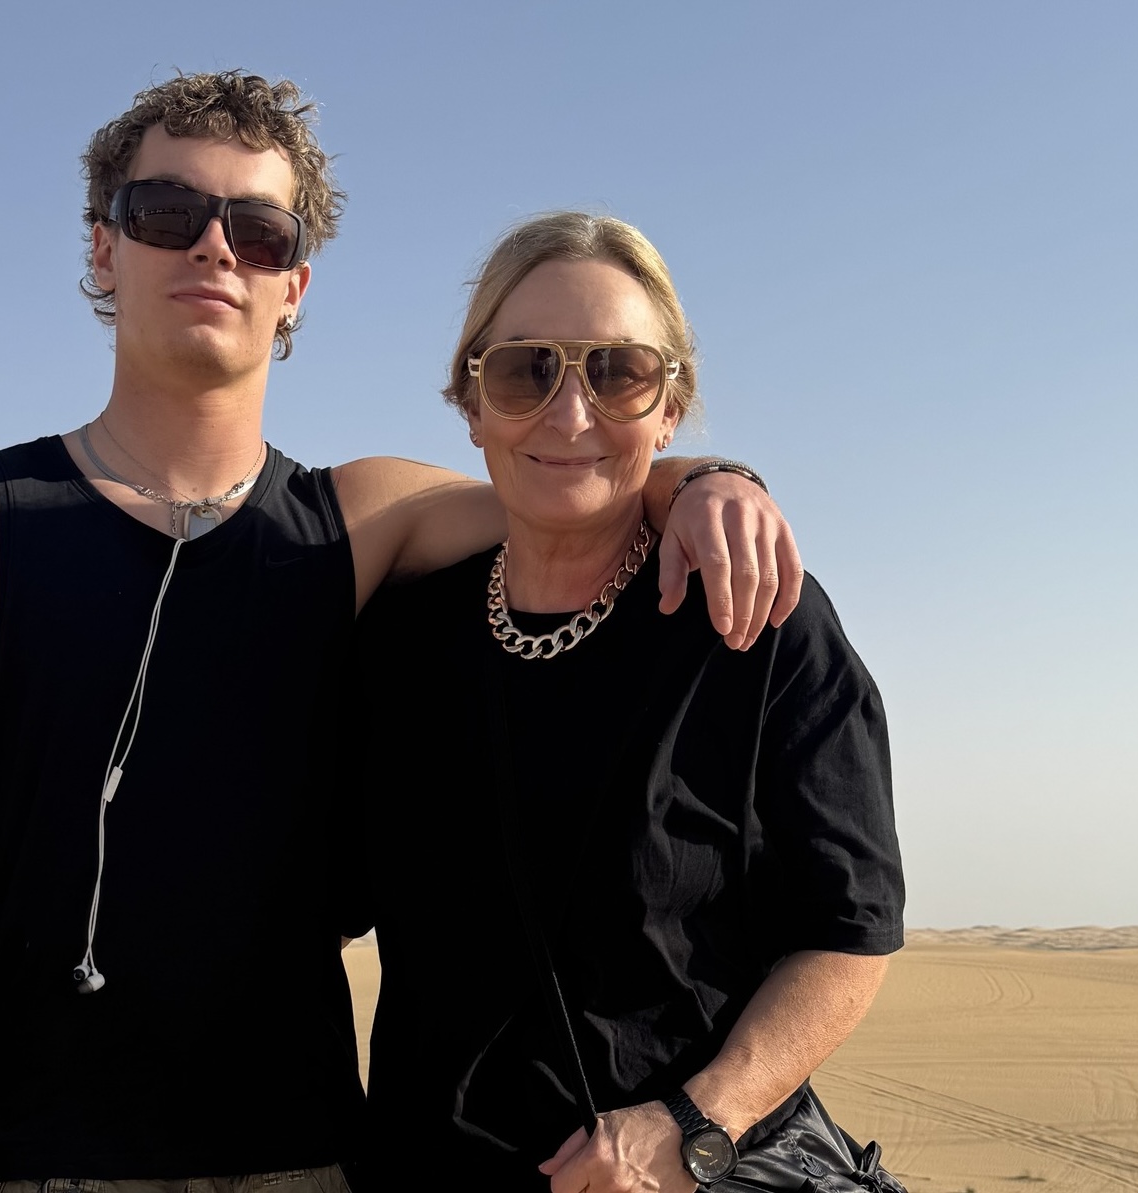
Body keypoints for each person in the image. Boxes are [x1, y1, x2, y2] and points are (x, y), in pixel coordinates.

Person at [0, 72, 804, 1193]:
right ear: (104, 248)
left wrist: (705, 477)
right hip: (20, 1152)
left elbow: (570, 476)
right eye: (166, 213)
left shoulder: (362, 517)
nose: (213, 248)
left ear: (294, 285)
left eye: (257, 230)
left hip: (302, 1156)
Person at [344, 213, 906, 1192]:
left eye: (618, 372)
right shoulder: (400, 637)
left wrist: (694, 1121)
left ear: (669, 407)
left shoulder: (754, 617)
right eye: (525, 370)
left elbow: (848, 929)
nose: (570, 414)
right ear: (470, 402)